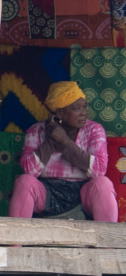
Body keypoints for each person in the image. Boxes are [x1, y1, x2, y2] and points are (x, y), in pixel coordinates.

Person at [10, 80, 116, 222]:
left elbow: (99, 170)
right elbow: (30, 171)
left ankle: (107, 243)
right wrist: (50, 141)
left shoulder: (94, 130)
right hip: (47, 194)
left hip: (81, 196)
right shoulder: (36, 131)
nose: (84, 113)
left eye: (84, 107)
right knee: (24, 181)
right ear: (60, 113)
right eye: (77, 108)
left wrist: (65, 142)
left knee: (103, 183)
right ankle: (14, 244)